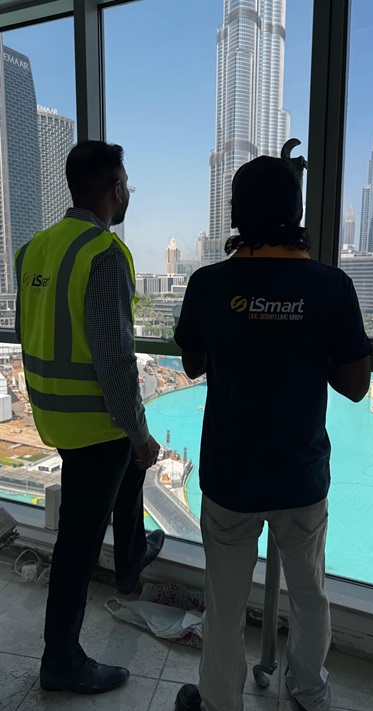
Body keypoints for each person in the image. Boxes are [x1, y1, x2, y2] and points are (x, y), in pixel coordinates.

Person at [173, 156, 372, 711]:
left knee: (224, 602)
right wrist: (305, 347)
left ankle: (219, 701)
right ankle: (308, 692)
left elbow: (191, 363)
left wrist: (241, 336)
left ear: (236, 214)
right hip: (300, 476)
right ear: (297, 213)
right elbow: (357, 386)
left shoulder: (209, 283)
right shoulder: (331, 285)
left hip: (230, 476)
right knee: (310, 596)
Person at [15, 141, 164, 695]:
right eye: (127, 184)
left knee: (128, 473)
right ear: (116, 188)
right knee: (78, 543)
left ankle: (130, 559)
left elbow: (32, 328)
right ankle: (61, 660)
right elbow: (116, 361)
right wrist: (140, 432)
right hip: (95, 425)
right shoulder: (105, 253)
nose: (128, 193)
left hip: (53, 414)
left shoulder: (33, 249)